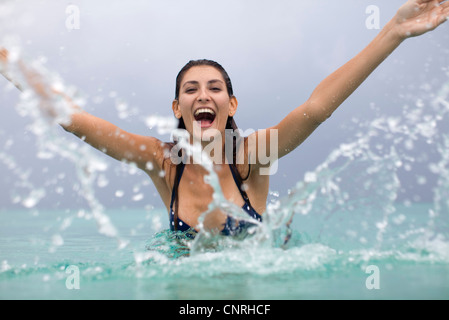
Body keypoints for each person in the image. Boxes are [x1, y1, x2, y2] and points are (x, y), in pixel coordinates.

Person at [1, 0, 448, 237]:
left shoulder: (252, 156)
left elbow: (315, 110)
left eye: (215, 88)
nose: (203, 95)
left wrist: (395, 30)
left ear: (231, 106)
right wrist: (9, 63)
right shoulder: (164, 162)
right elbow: (72, 119)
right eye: (191, 89)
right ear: (177, 109)